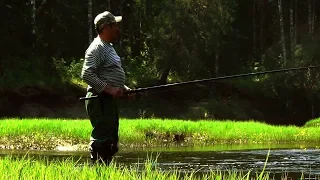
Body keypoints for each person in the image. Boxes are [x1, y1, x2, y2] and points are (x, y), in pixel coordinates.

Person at [81, 11, 131, 165]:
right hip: (99, 99)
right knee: (102, 141)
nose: (118, 29)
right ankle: (98, 171)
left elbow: (108, 73)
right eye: (115, 25)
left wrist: (124, 88)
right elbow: (86, 74)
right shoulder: (97, 48)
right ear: (106, 27)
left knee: (110, 140)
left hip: (107, 100)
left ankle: (104, 172)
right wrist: (110, 89)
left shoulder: (107, 47)